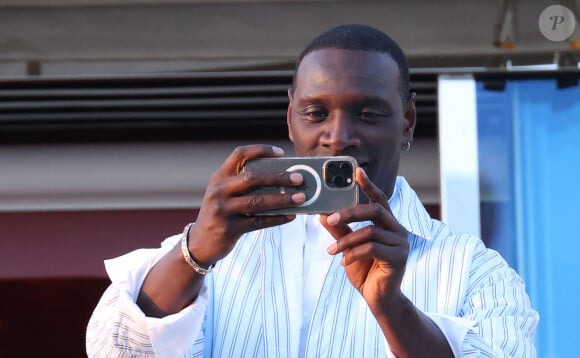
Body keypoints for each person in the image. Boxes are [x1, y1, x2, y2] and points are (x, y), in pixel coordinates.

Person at [86, 24, 538, 357]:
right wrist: (195, 252)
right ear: (290, 119)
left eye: (369, 113)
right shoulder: (217, 251)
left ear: (408, 122)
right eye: (316, 113)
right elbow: (113, 349)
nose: (339, 137)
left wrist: (392, 308)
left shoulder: (473, 270)